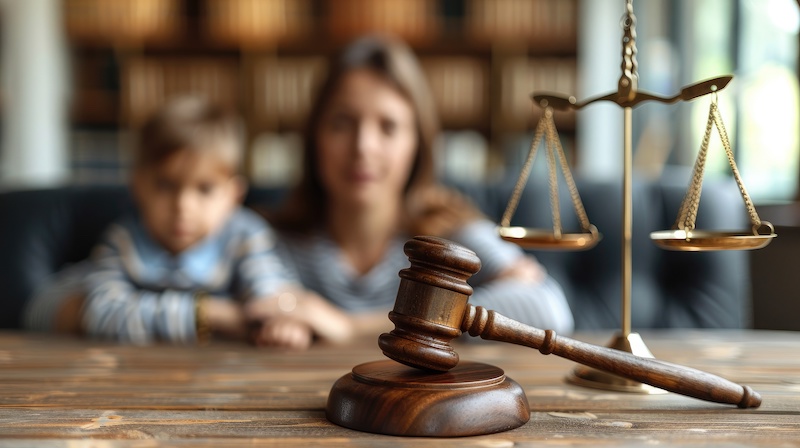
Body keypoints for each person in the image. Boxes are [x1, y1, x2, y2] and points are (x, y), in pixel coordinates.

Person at [245, 35, 574, 348]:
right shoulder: (266, 241)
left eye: (388, 127)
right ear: (315, 136)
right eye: (342, 123)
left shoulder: (452, 236)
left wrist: (349, 325)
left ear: (417, 144)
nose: (363, 147)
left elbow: (548, 310)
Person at [24, 96, 350, 347]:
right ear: (138, 186)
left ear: (233, 195)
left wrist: (283, 324)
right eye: (166, 185)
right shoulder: (123, 241)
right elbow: (102, 314)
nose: (183, 206)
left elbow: (269, 298)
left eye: (205, 189)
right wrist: (208, 314)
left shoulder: (245, 236)